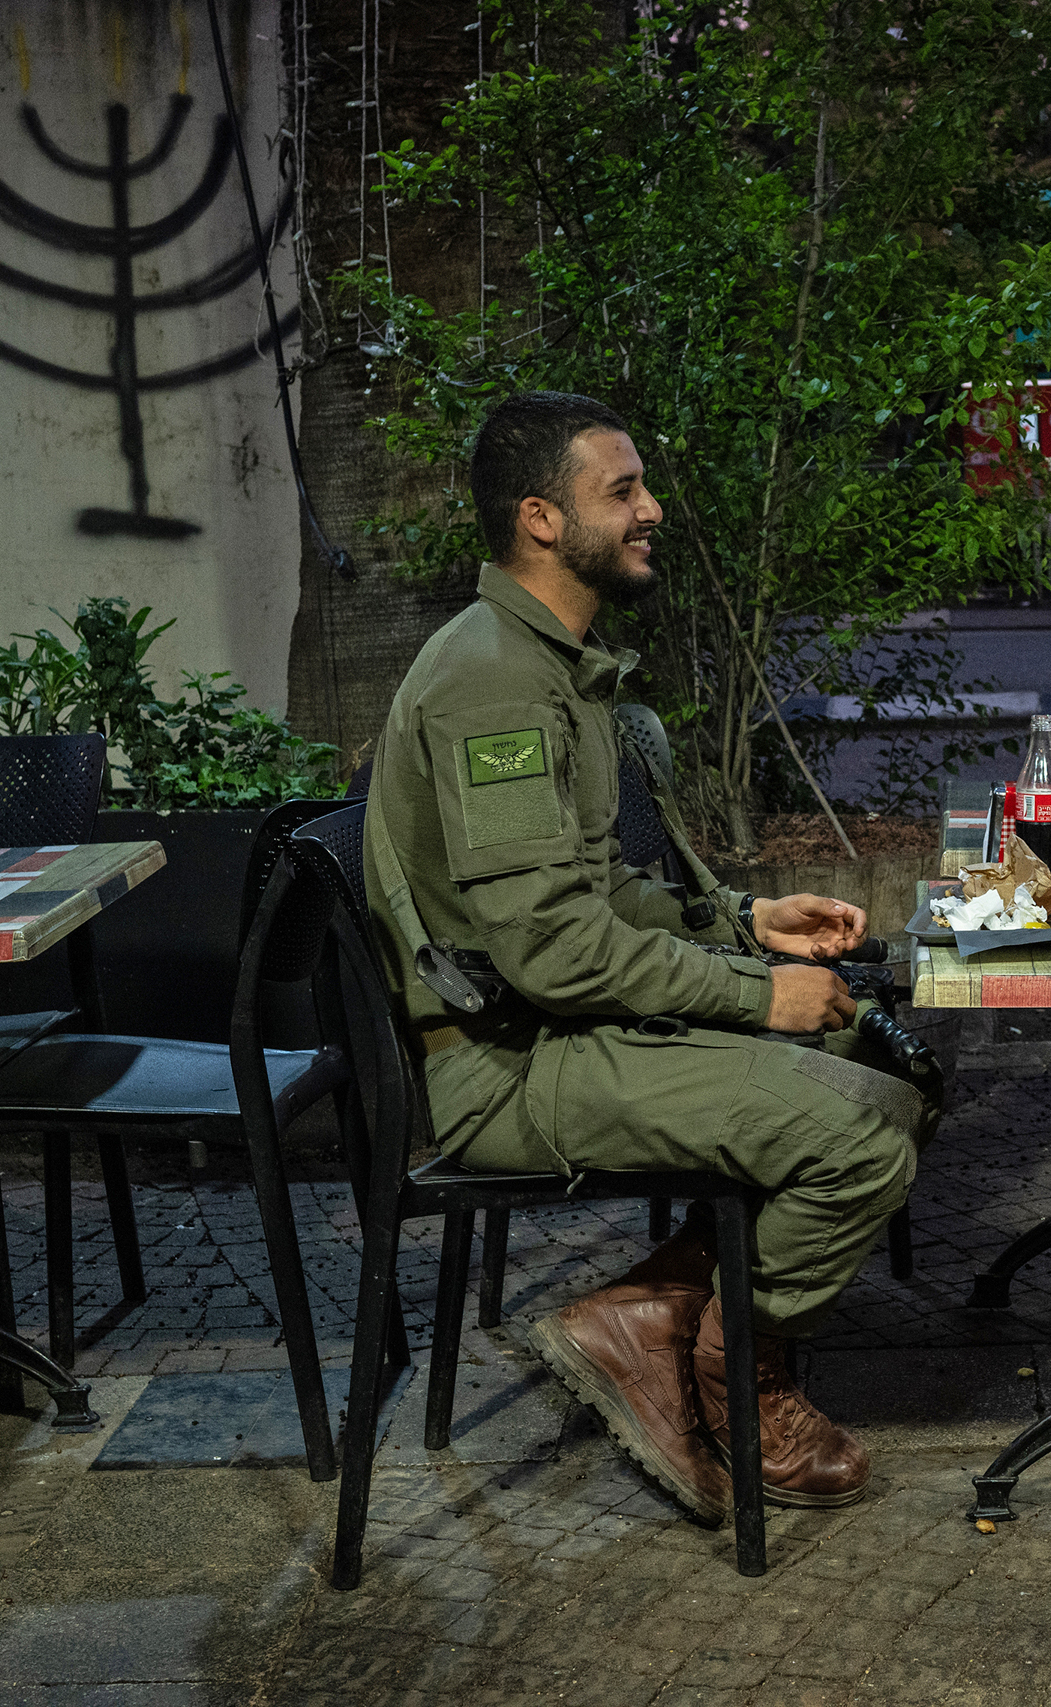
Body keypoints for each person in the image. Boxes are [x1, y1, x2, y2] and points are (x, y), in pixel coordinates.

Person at [362, 390, 920, 1529]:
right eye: (622, 492)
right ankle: (737, 1387)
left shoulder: (546, 663)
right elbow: (557, 953)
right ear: (540, 519)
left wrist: (744, 923)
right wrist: (757, 997)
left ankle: (651, 1319)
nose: (650, 509)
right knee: (859, 1138)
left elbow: (588, 892)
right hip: (503, 1063)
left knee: (883, 1056)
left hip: (545, 1026)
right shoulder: (491, 682)